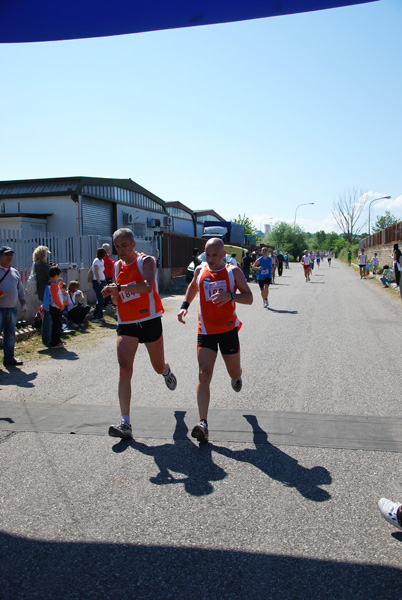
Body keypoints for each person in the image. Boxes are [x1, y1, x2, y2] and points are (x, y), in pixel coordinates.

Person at [101, 228, 177, 439]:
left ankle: (166, 371)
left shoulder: (147, 261)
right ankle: (125, 422)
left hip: (149, 319)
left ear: (134, 245)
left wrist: (119, 286)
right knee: (125, 368)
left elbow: (147, 286)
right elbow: (117, 300)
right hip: (126, 322)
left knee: (157, 365)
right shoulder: (116, 266)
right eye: (117, 246)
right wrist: (113, 294)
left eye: (124, 245)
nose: (121, 250)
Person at [177, 238, 253, 444]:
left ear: (224, 254)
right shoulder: (200, 270)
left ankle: (236, 378)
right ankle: (203, 423)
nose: (210, 260)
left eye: (215, 255)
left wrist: (231, 296)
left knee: (234, 372)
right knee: (204, 373)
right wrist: (185, 305)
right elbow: (194, 287)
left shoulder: (233, 272)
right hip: (206, 331)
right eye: (207, 255)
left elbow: (249, 297)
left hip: (228, 330)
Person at [0, 246, 27, 366]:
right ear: (0, 257)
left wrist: (23, 304)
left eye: (11, 255)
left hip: (11, 309)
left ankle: (9, 358)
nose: (9, 257)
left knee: (10, 335)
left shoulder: (14, 272)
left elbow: (20, 289)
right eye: (6, 254)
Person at [33, 245, 52, 345]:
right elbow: (52, 278)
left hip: (41, 291)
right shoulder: (45, 267)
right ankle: (47, 338)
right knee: (48, 316)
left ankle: (47, 336)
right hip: (47, 292)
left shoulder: (36, 266)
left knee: (46, 314)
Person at [47, 265, 66, 349]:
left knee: (57, 324)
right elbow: (55, 298)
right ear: (55, 275)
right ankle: (55, 342)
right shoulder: (53, 285)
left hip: (55, 307)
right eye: (58, 275)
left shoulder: (52, 284)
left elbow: (57, 293)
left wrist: (60, 284)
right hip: (56, 307)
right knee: (57, 325)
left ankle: (57, 340)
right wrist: (61, 306)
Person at [91, 247, 107, 322]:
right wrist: (98, 281)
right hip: (97, 282)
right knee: (100, 299)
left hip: (103, 281)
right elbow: (96, 272)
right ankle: (94, 316)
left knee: (102, 299)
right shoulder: (96, 261)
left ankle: (100, 315)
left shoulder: (102, 261)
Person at [102, 243, 115, 307]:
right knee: (109, 290)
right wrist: (112, 262)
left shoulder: (103, 256)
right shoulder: (105, 256)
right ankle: (107, 303)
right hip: (108, 275)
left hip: (105, 274)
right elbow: (112, 264)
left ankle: (107, 303)